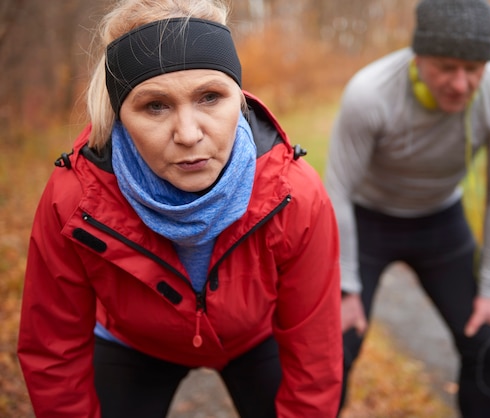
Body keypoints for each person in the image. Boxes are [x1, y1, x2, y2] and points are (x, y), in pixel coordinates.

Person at [17, 1, 343, 417]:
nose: (188, 135)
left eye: (210, 97)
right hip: (133, 343)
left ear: (237, 100)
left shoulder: (293, 193)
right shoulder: (75, 199)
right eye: (155, 106)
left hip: (255, 339)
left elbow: (315, 351)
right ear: (120, 116)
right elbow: (53, 350)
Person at [325, 0, 490, 417]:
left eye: (474, 69)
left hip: (440, 222)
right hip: (367, 222)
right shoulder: (370, 93)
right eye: (446, 67)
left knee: (485, 339)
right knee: (336, 345)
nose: (460, 83)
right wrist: (347, 288)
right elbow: (337, 191)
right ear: (418, 58)